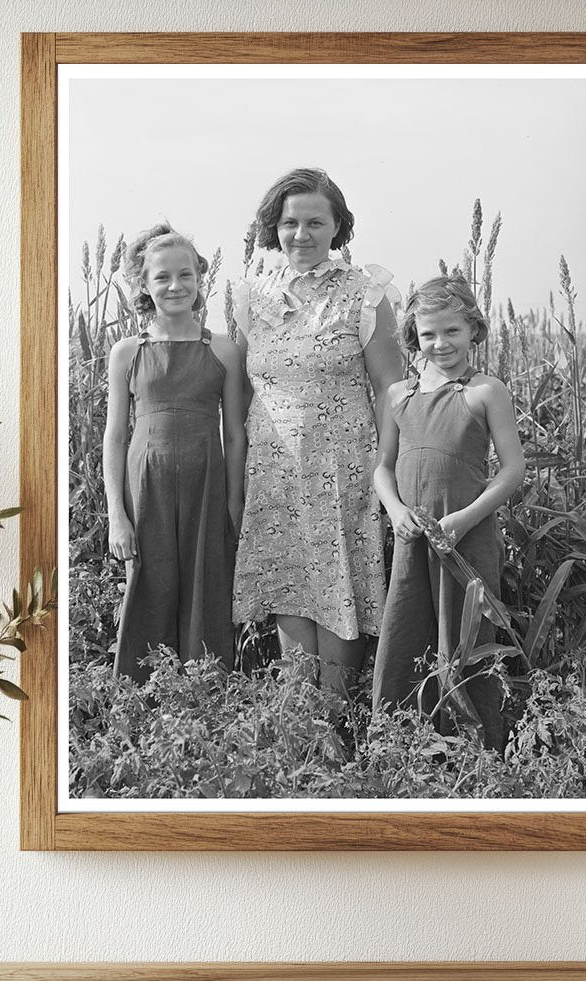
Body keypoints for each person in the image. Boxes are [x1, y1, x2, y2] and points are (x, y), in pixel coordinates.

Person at [232, 168, 404, 693]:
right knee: (290, 589)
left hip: (344, 469)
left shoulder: (365, 294)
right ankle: (301, 731)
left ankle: (336, 727)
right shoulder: (249, 296)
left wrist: (386, 472)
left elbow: (390, 389)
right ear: (273, 228)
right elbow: (239, 392)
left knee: (339, 591)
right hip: (273, 469)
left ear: (338, 228)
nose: (300, 235)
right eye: (289, 223)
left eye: (314, 222)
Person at [371, 277, 526, 750]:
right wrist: (395, 510)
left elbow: (513, 469)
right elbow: (383, 468)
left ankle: (477, 744)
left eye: (452, 332)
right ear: (413, 338)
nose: (441, 344)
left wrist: (466, 518)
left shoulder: (485, 391)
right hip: (414, 537)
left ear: (473, 330)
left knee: (466, 631)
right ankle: (399, 739)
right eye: (428, 335)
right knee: (407, 626)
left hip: (467, 536)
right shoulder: (399, 396)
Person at [104, 223, 246, 680]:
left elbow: (236, 433)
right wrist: (116, 516)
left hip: (208, 484)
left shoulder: (222, 348)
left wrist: (234, 504)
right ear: (144, 285)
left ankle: (205, 697)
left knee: (207, 589)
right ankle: (142, 701)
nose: (175, 286)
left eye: (185, 275)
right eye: (162, 277)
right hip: (145, 490)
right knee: (149, 588)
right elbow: (114, 436)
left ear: (200, 278)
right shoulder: (128, 352)